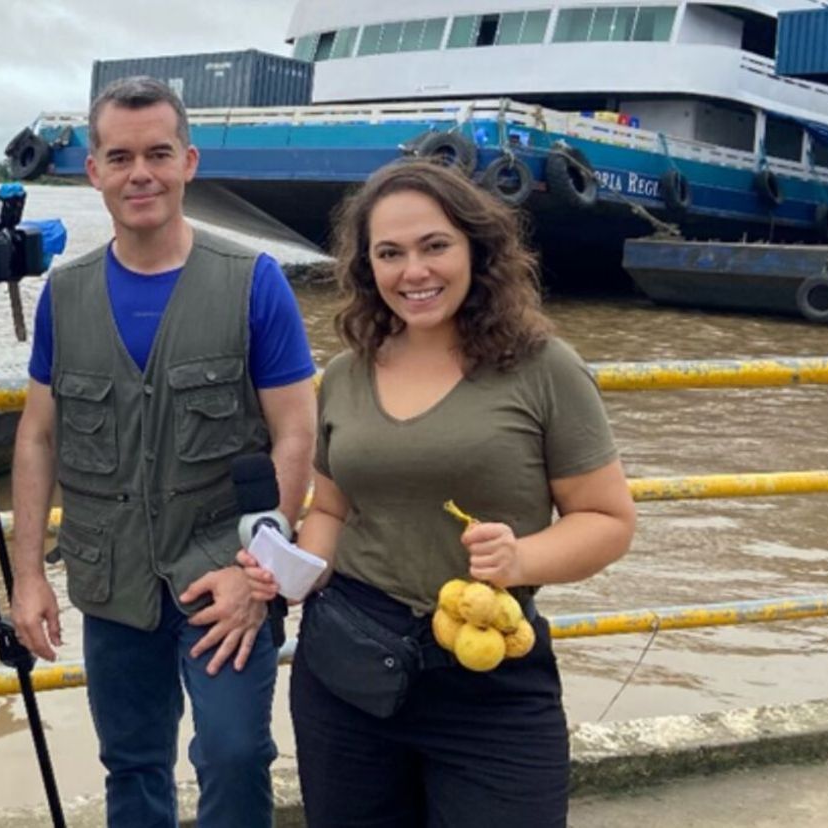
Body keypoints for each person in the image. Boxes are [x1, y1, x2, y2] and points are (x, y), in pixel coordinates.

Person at [243, 160, 637, 827]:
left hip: (491, 673)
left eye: (434, 246)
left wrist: (522, 561)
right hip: (349, 671)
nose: (413, 272)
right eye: (389, 254)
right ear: (367, 268)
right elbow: (334, 510)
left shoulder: (544, 367)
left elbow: (607, 519)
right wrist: (289, 571)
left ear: (476, 249)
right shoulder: (345, 374)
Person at [8, 76, 318, 828]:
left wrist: (259, 573)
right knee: (133, 761)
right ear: (93, 172)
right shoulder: (65, 292)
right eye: (119, 157)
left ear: (189, 162)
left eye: (157, 153)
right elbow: (38, 435)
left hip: (223, 570)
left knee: (236, 753)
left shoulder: (254, 283)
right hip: (112, 577)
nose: (138, 173)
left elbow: (298, 431)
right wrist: (25, 578)